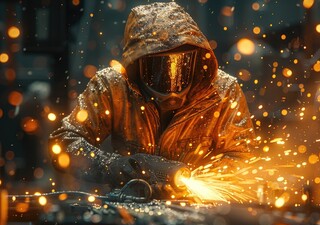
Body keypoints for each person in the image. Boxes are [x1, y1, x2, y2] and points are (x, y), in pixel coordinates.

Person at [49, 2, 255, 198]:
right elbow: (64, 144)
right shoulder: (113, 88)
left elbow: (243, 159)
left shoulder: (223, 92)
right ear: (137, 64)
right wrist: (126, 167)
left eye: (182, 67)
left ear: (197, 60)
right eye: (158, 70)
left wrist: (191, 179)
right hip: (133, 203)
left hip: (201, 207)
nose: (172, 87)